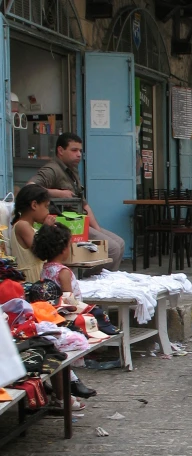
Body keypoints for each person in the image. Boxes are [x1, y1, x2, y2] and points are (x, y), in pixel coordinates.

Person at [28, 133, 125, 275]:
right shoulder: (52, 169)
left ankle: (105, 281)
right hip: (64, 224)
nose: (79, 154)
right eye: (74, 150)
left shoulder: (72, 172)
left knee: (119, 243)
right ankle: (90, 283)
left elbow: (84, 204)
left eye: (80, 151)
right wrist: (58, 193)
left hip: (80, 222)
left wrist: (97, 229)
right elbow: (30, 187)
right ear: (60, 150)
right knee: (113, 249)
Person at [30, 222, 97, 402]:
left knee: (56, 354)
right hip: (65, 316)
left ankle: (66, 390)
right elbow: (69, 301)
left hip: (49, 315)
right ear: (63, 249)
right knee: (64, 355)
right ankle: (66, 394)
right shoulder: (63, 272)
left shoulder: (45, 268)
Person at [10, 184, 56, 283]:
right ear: (34, 205)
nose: (48, 212)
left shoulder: (30, 227)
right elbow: (41, 252)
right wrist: (46, 228)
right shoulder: (22, 226)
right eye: (45, 206)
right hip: (29, 281)